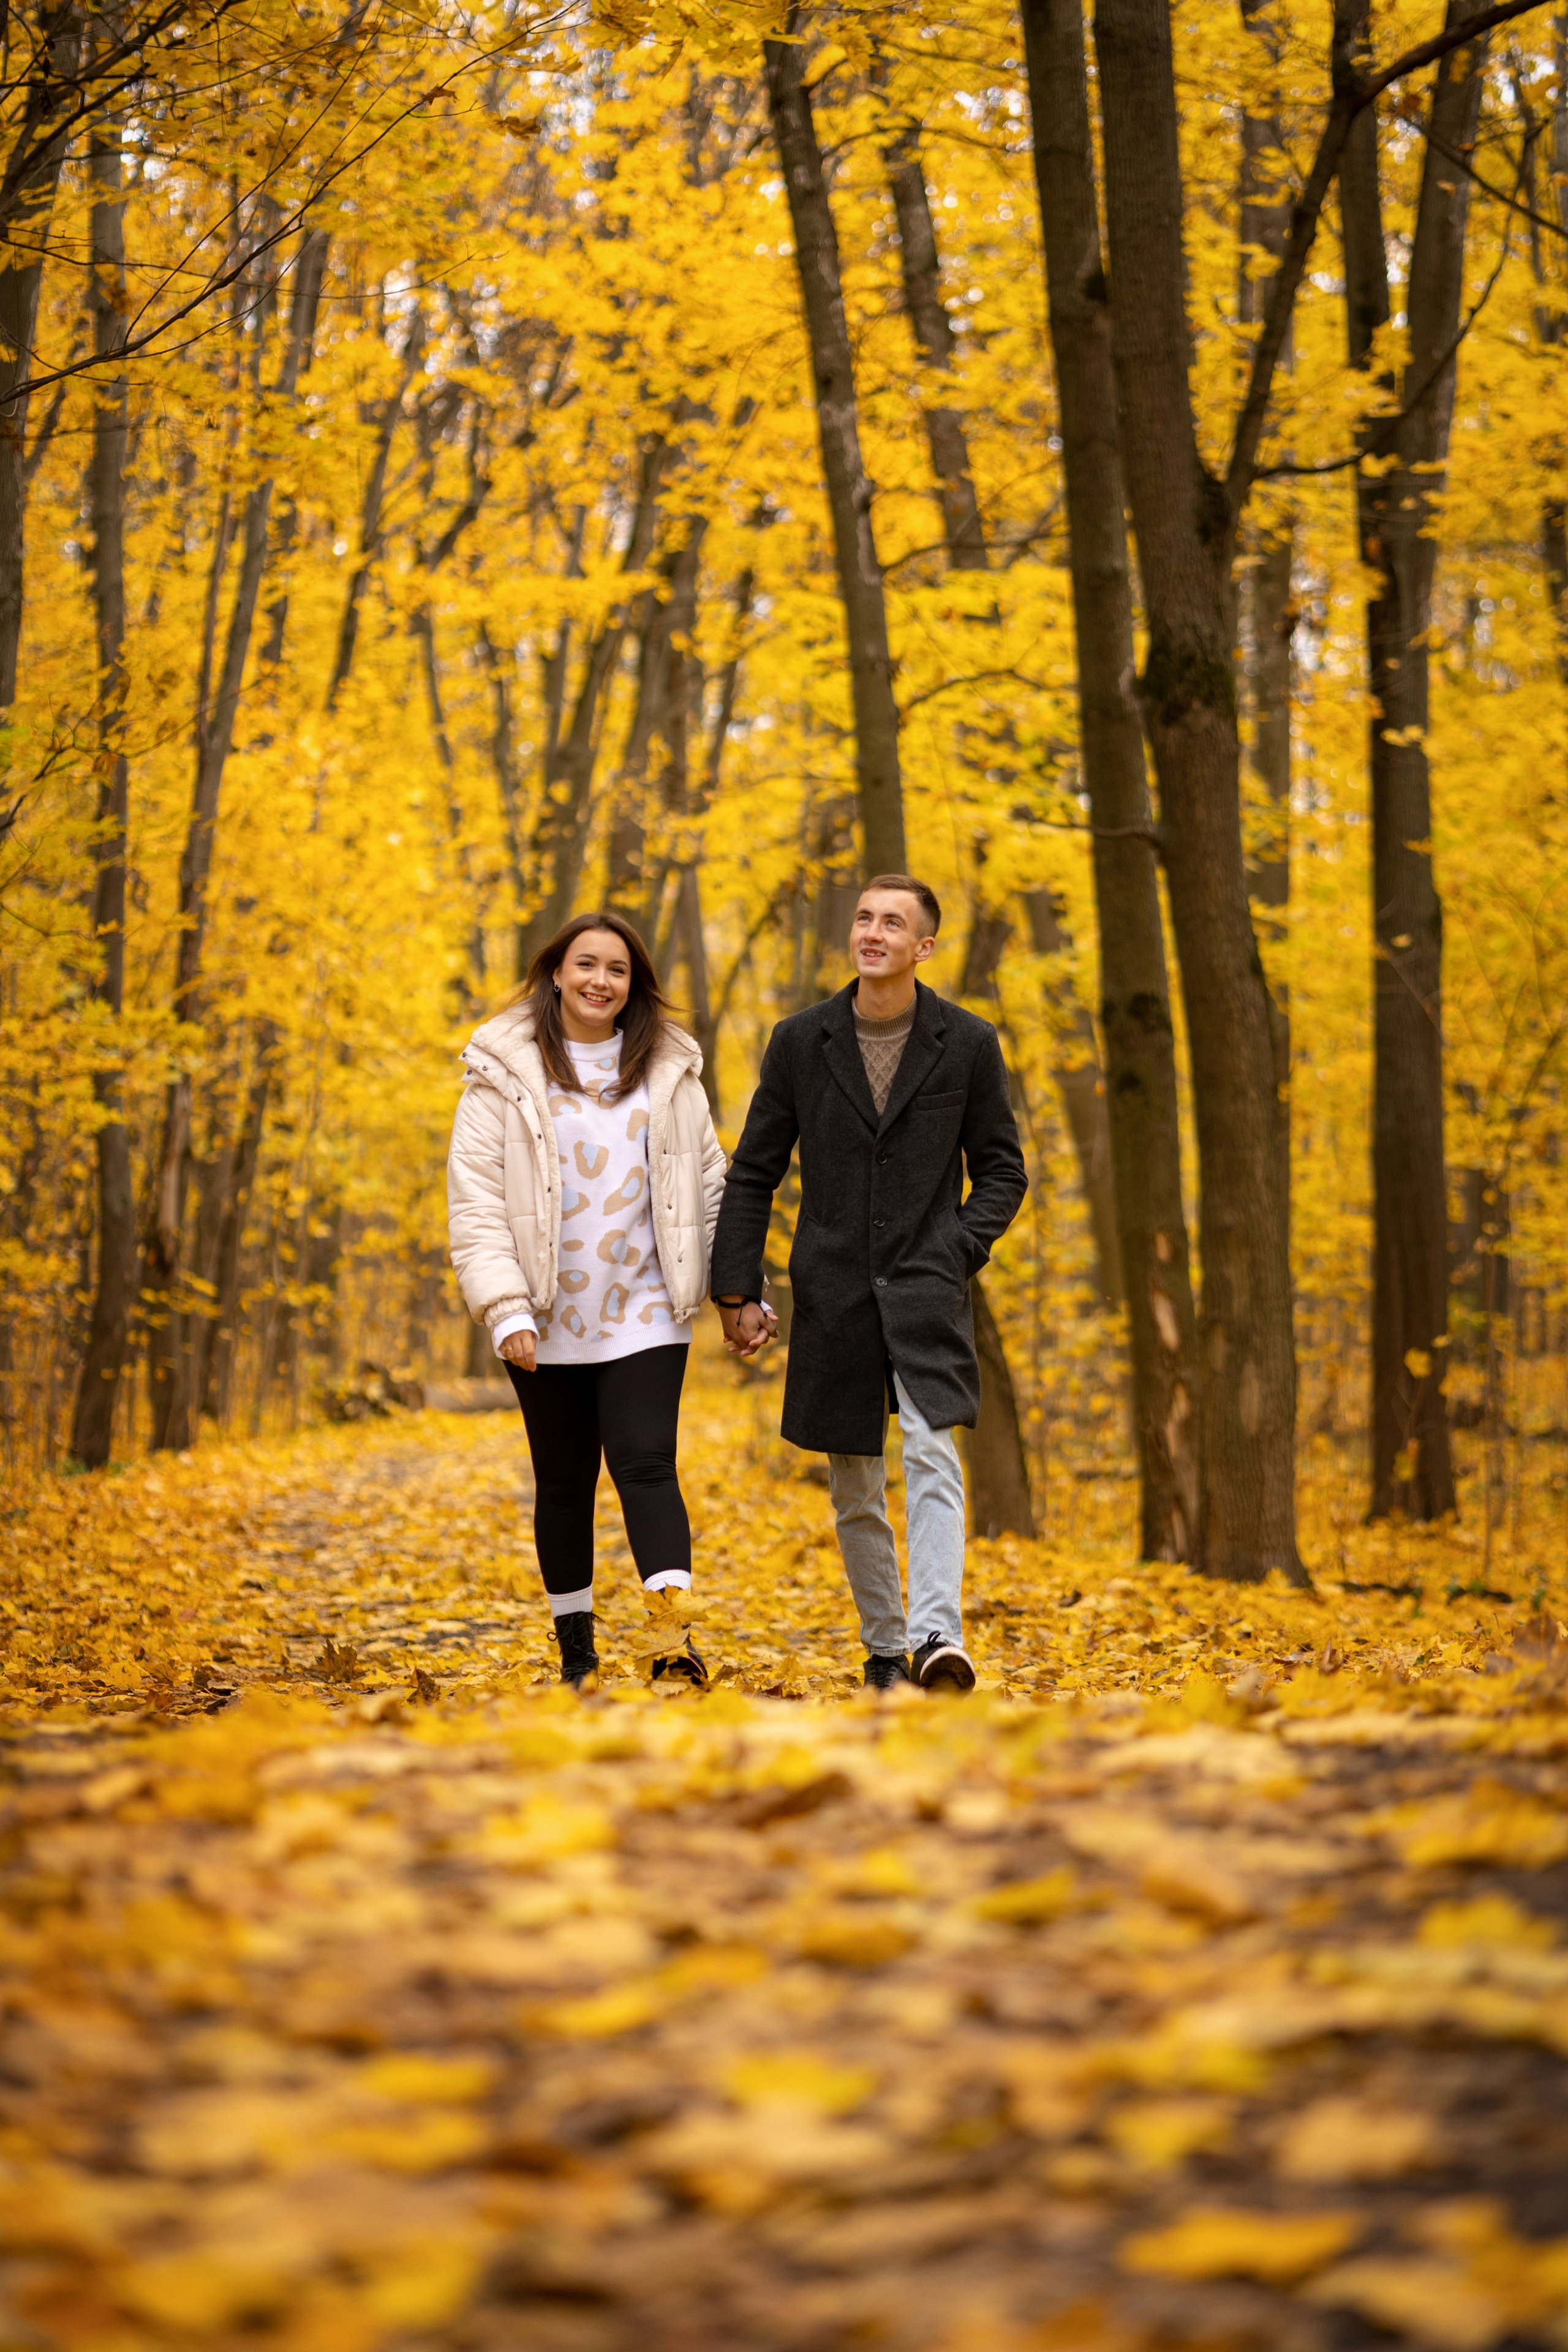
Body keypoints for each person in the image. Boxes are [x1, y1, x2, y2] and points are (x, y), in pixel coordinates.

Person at [710, 874, 1027, 1693]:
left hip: (930, 1287)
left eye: (894, 922)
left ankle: (936, 1638)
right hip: (835, 1294)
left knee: (931, 1453)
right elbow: (752, 1173)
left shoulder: (967, 1043)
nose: (873, 932)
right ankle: (887, 1648)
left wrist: (956, 1248)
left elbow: (1001, 1170)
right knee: (853, 1480)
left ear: (924, 946)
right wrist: (738, 1291)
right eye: (864, 918)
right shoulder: (799, 1041)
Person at [447, 912, 726, 1689]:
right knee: (565, 1480)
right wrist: (505, 1308)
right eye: (586, 966)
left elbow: (709, 1183)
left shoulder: (671, 1071)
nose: (600, 982)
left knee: (646, 1464)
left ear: (634, 986)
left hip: (646, 1304)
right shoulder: (501, 1070)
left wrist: (731, 1284)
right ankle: (576, 1651)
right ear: (556, 974)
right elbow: (475, 1201)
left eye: (618, 970)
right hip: (542, 1311)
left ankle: (672, 1638)